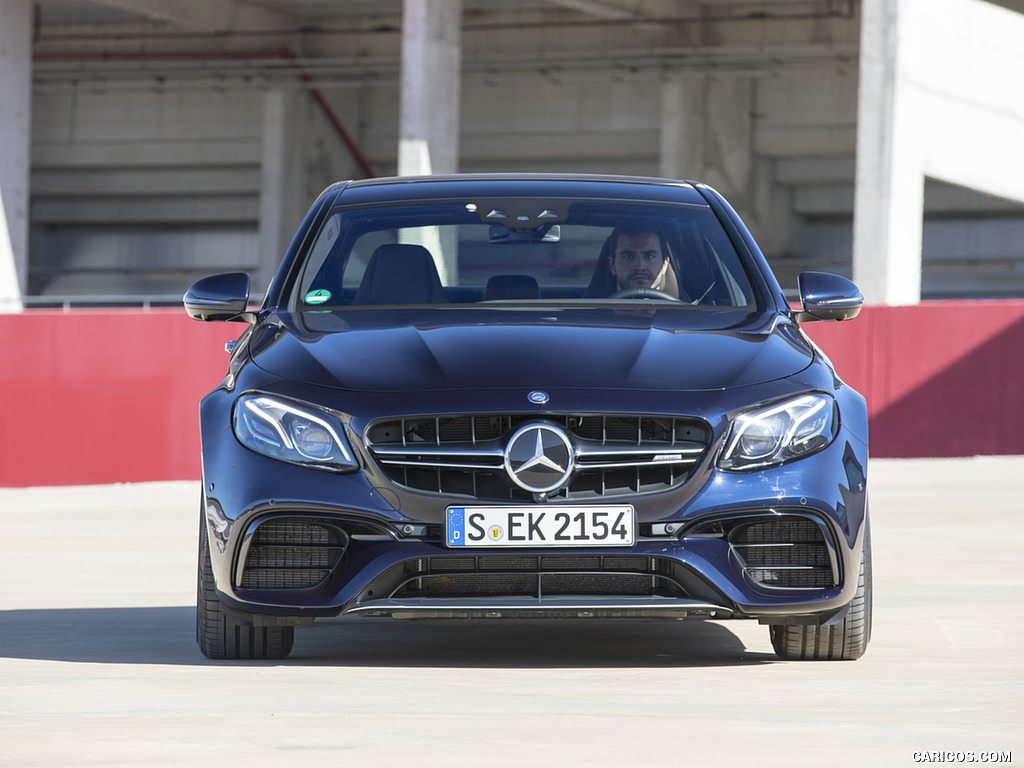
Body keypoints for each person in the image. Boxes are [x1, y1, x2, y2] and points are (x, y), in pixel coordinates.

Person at [583, 221, 679, 298]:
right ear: (612, 265)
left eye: (650, 256)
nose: (640, 266)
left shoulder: (684, 318)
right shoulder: (588, 319)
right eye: (629, 257)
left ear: (665, 264)